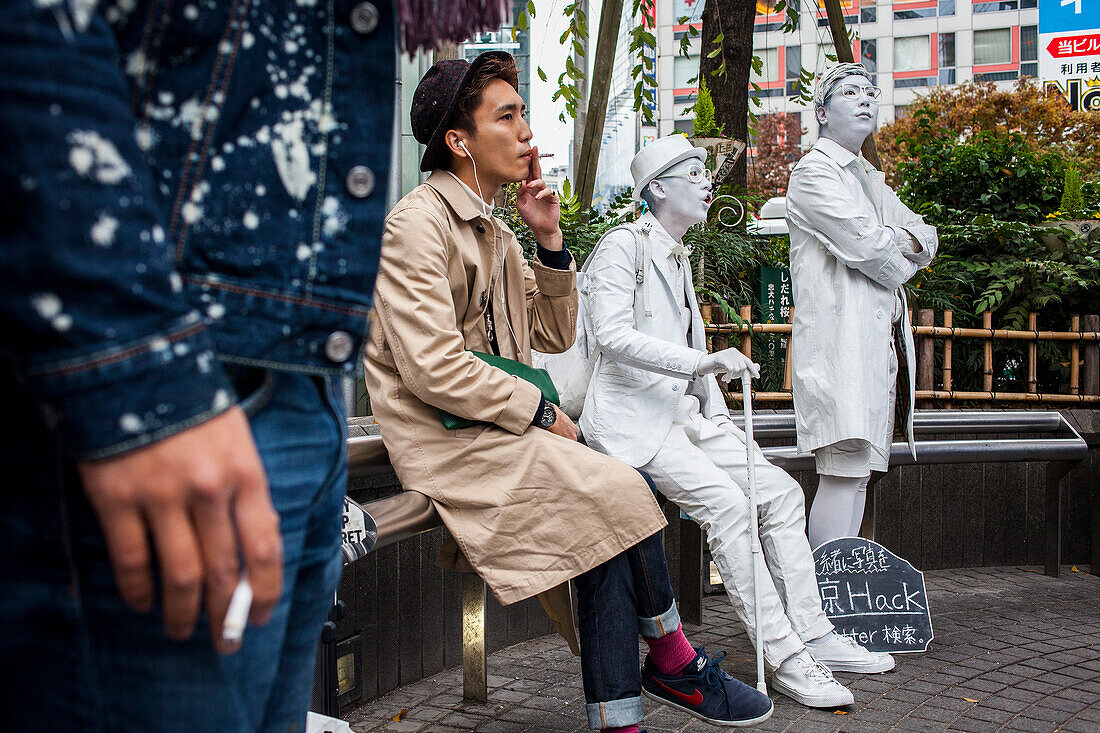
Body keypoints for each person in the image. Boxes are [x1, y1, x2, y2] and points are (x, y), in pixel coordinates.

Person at [0, 2, 501, 730]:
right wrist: (139, 377)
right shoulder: (424, 218)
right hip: (172, 386)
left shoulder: (500, 226)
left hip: (297, 389)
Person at [363, 52, 773, 732]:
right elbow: (433, 369)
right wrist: (542, 410)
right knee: (615, 492)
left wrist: (549, 241)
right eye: (508, 115)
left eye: (523, 113)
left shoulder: (498, 233)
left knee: (608, 507)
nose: (527, 131)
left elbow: (554, 329)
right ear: (459, 142)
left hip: (499, 432)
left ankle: (628, 712)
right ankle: (670, 662)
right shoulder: (417, 225)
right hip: (450, 442)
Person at [580, 134, 896, 709]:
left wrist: (719, 418)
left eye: (706, 172)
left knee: (778, 493)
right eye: (694, 172)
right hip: (631, 426)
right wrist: (702, 362)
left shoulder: (678, 256)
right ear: (656, 189)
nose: (707, 182)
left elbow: (693, 358)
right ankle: (785, 657)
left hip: (685, 418)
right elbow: (610, 335)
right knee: (729, 507)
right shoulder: (620, 246)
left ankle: (816, 633)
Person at [786, 63, 938, 549]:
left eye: (870, 91)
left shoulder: (869, 180)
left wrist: (895, 244)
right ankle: (820, 597)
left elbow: (927, 237)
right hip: (839, 348)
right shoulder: (813, 173)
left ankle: (832, 597)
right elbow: (869, 248)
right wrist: (899, 247)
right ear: (823, 112)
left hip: (871, 351)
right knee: (842, 471)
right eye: (850, 92)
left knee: (857, 475)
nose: (865, 99)